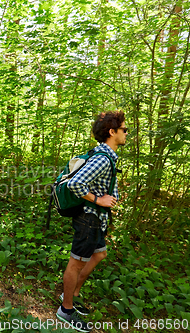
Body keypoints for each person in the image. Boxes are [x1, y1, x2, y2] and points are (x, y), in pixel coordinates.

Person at [56, 111, 128, 332]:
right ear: (112, 132)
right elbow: (75, 184)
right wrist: (99, 199)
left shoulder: (104, 156)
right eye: (124, 130)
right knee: (76, 263)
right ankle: (66, 310)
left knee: (99, 254)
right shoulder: (102, 159)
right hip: (89, 218)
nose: (127, 134)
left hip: (96, 218)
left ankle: (72, 294)